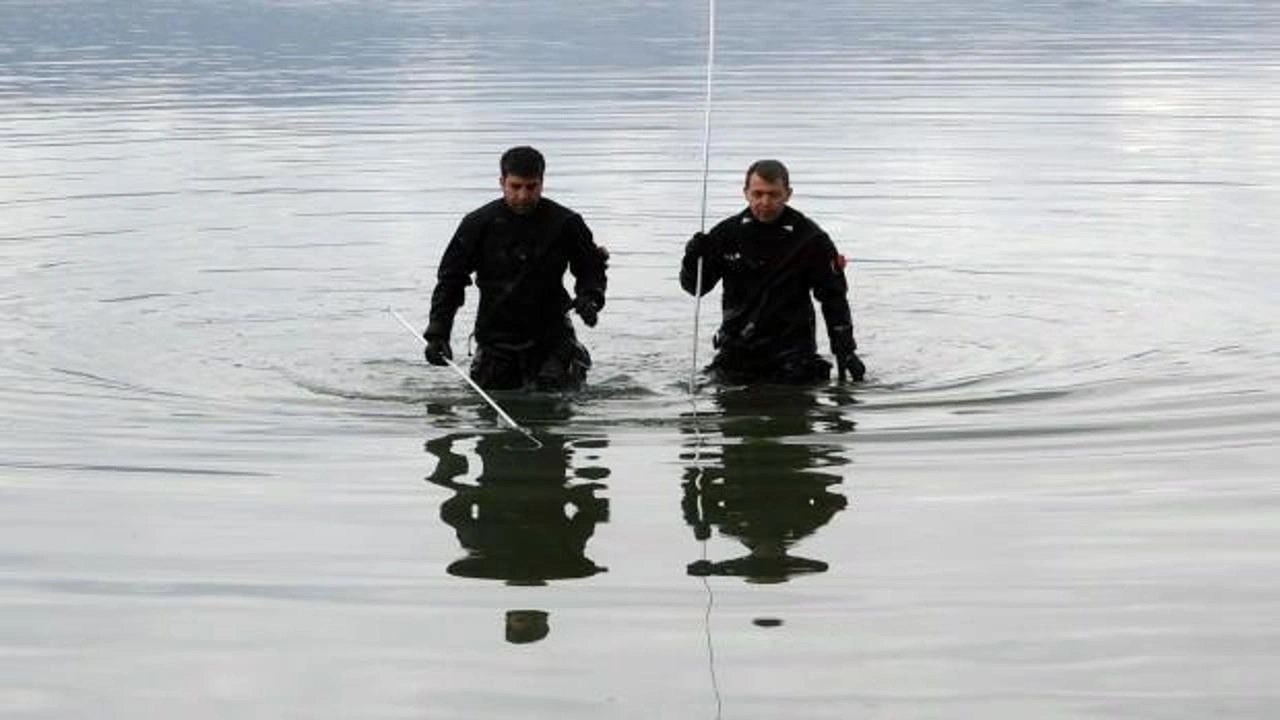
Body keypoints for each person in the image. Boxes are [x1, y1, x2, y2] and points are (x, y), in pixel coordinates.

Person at [423, 146, 609, 390]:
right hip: (495, 339)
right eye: (515, 186)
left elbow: (591, 269)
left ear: (542, 183)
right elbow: (451, 280)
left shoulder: (566, 223)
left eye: (531, 187)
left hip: (552, 337)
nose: (523, 196)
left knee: (555, 396)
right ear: (502, 183)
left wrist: (590, 297)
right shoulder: (477, 224)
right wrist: (438, 332)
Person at [680, 159, 866, 384]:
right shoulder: (726, 234)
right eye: (758, 194)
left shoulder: (811, 239)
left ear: (787, 194)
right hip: (736, 351)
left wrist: (845, 350)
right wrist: (692, 259)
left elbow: (833, 297)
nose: (765, 202)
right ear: (746, 193)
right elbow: (695, 288)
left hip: (792, 353)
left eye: (773, 194)